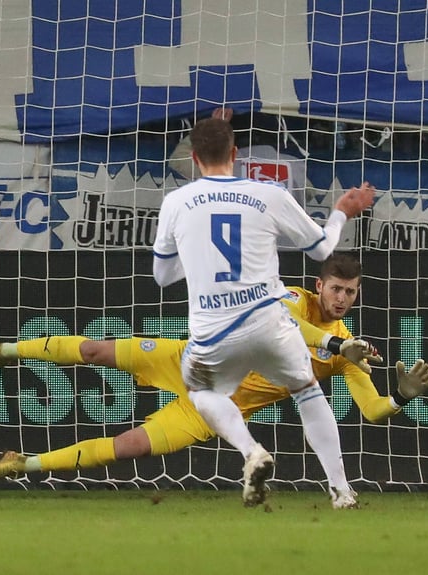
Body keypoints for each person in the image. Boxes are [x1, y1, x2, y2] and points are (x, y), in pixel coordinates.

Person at [0, 254, 428, 509]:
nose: (343, 298)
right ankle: (2, 349)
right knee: (96, 350)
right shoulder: (293, 300)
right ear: (319, 286)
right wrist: (335, 346)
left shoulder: (349, 350)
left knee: (128, 446)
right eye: (336, 288)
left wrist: (401, 396)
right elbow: (293, 329)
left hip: (208, 408)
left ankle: (25, 464)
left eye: (351, 293)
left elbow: (373, 410)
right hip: (188, 360)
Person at [151, 117, 375, 508]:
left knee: (201, 391)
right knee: (306, 389)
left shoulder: (176, 202)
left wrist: (198, 253)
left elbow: (162, 275)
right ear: (236, 155)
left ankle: (250, 450)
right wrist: (340, 212)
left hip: (213, 333)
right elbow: (322, 250)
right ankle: (341, 490)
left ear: (195, 157)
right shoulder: (268, 193)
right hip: (270, 322)